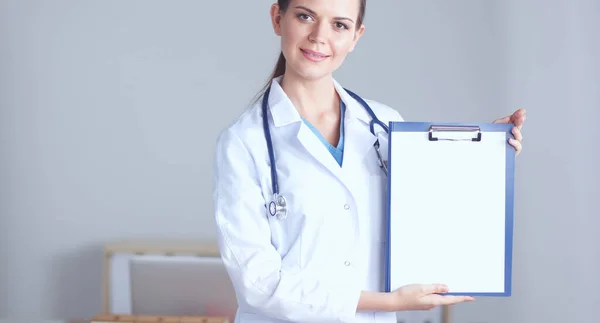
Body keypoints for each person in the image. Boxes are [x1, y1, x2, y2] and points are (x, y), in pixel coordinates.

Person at [212, 1, 527, 322]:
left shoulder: (385, 126)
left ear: (356, 37)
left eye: (339, 25)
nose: (319, 36)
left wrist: (486, 159)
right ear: (278, 18)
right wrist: (391, 302)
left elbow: (429, 214)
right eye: (305, 16)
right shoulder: (243, 143)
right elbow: (259, 285)